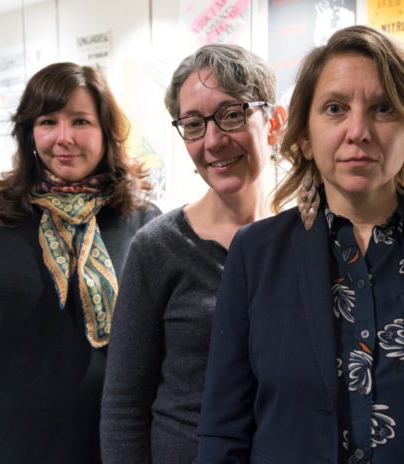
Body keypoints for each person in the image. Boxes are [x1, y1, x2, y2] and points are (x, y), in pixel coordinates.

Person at [194, 25, 404, 464]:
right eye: (335, 108)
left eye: (383, 108)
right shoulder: (256, 254)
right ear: (304, 135)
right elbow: (223, 431)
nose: (358, 130)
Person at [0, 62, 159, 464]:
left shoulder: (144, 224)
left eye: (81, 121)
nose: (64, 138)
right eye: (48, 121)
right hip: (0, 449)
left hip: (110, 452)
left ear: (106, 132)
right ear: (29, 132)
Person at [100, 44, 285, 464]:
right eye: (194, 124)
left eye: (232, 114)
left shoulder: (306, 239)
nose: (214, 141)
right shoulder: (157, 247)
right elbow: (124, 404)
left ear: (274, 123)